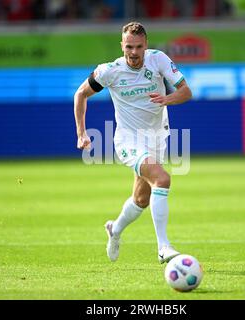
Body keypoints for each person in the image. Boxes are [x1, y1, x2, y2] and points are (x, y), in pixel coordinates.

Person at [74, 22, 192, 264]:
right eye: (129, 47)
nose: (134, 52)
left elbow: (186, 92)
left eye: (139, 47)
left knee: (141, 199)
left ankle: (114, 230)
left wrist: (167, 98)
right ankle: (163, 247)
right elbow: (81, 94)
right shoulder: (110, 71)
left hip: (158, 136)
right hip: (128, 139)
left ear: (146, 45)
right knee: (163, 179)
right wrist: (81, 133)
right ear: (122, 45)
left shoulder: (158, 60)